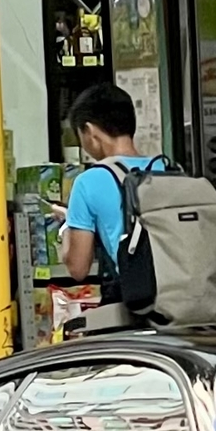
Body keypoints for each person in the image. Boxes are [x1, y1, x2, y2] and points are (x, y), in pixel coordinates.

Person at [60, 82, 154, 283]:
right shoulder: (167, 168)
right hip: (186, 297)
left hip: (137, 302)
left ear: (90, 131)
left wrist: (68, 225)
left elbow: (78, 267)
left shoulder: (88, 182)